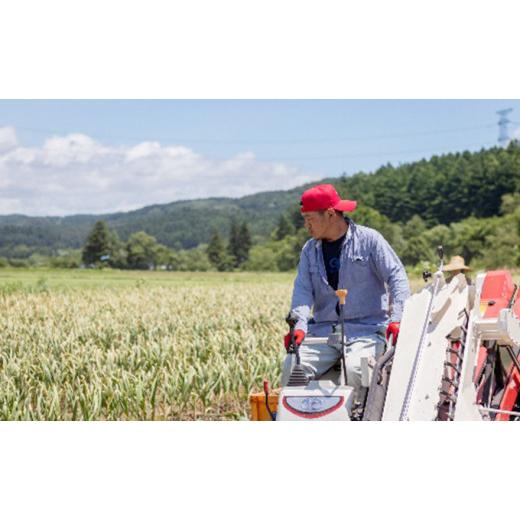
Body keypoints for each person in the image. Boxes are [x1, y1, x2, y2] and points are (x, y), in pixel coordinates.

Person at [282, 184, 411, 404]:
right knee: (293, 366)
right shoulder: (309, 250)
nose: (306, 226)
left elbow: (396, 277)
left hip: (366, 330)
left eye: (310, 219)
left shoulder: (370, 240)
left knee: (356, 369)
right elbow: (303, 291)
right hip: (323, 331)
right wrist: (300, 327)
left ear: (330, 214)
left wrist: (398, 319)